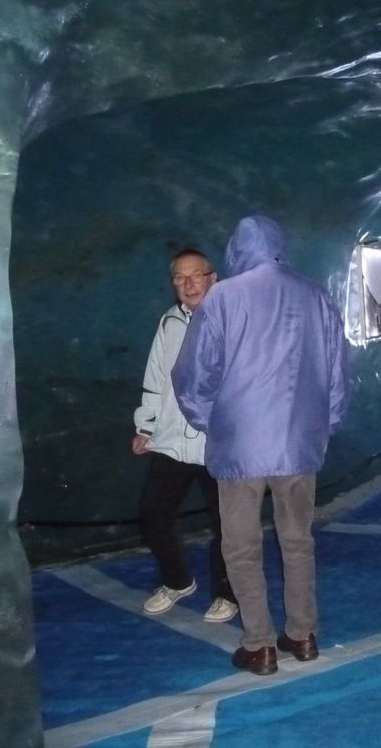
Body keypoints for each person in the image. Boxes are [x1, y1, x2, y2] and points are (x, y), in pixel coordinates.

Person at [172, 216, 348, 676]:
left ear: (237, 249)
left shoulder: (224, 297)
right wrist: (322, 428)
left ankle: (260, 644)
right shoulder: (317, 296)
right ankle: (303, 634)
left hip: (241, 447)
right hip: (298, 447)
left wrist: (213, 422)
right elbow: (337, 375)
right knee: (298, 541)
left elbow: (193, 375)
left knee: (242, 546)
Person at [132, 248, 238, 623]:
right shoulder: (169, 322)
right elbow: (156, 376)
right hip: (174, 439)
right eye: (180, 277)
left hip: (219, 443)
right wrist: (146, 425)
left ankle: (228, 593)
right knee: (152, 512)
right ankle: (178, 581)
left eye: (196, 275)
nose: (189, 283)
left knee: (227, 522)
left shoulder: (234, 318)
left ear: (213, 278)